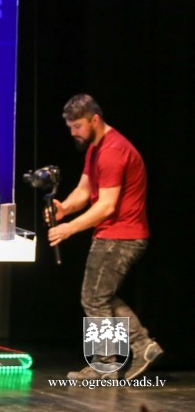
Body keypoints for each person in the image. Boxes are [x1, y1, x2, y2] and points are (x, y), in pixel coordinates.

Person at [48, 94, 163, 381]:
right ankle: (141, 347)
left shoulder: (112, 151)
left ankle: (106, 365)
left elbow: (107, 206)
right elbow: (84, 190)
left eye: (77, 126)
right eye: (70, 127)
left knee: (94, 298)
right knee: (100, 297)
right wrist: (64, 209)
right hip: (114, 234)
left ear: (95, 120)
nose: (73, 133)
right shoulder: (95, 148)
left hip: (121, 236)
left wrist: (68, 228)